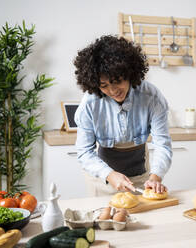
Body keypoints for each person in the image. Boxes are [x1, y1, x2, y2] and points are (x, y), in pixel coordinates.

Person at [73, 35, 172, 196]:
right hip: (102, 179)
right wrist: (109, 174)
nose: (113, 91)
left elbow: (162, 144)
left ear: (129, 73)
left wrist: (155, 178)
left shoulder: (151, 97)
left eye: (117, 81)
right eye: (104, 85)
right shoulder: (90, 104)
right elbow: (84, 152)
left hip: (140, 178)